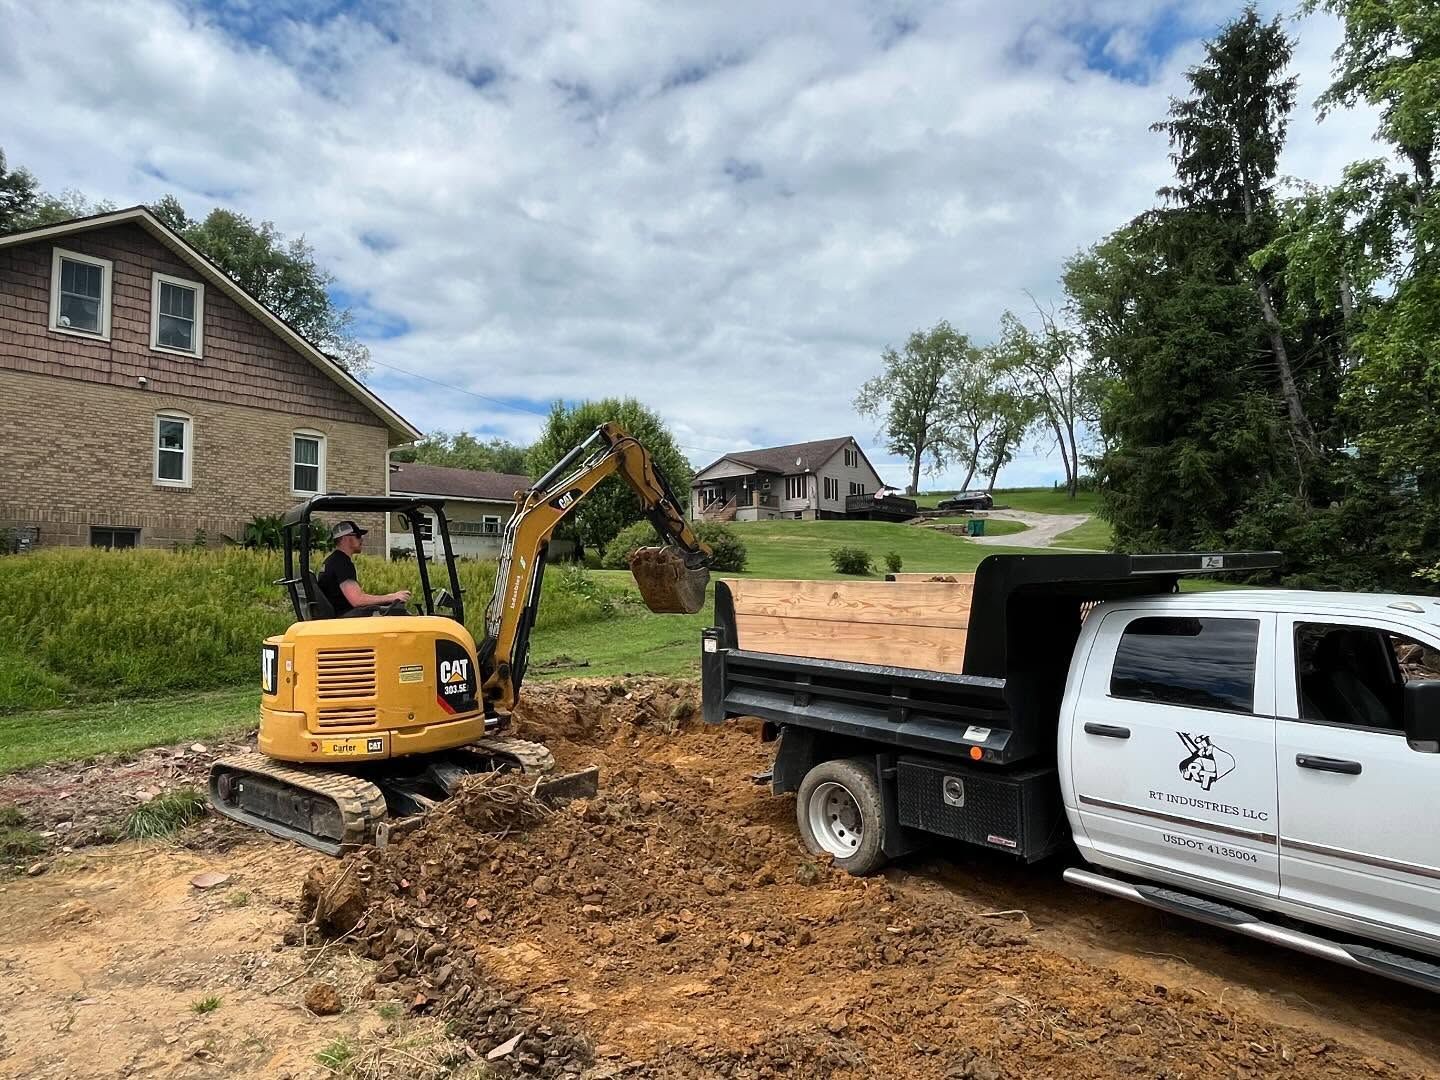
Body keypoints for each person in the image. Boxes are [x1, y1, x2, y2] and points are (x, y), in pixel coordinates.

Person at [317, 520, 411, 618]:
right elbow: (357, 600)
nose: (361, 540)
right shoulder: (341, 563)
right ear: (345, 538)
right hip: (345, 620)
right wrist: (392, 597)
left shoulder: (331, 561)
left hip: (340, 617)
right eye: (358, 536)